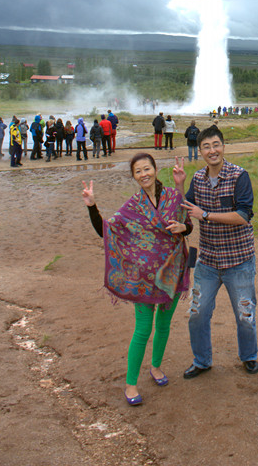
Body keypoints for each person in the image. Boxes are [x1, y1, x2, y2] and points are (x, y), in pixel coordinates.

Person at [80, 153, 192, 405]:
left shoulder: (173, 196)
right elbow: (106, 231)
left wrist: (181, 187)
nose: (144, 174)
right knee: (142, 329)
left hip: (173, 271)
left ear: (155, 169)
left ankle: (155, 367)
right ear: (133, 176)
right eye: (138, 171)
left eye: (147, 169)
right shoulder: (133, 207)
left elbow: (187, 224)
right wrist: (91, 206)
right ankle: (130, 384)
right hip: (144, 280)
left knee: (164, 325)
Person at [176, 125, 258, 378]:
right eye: (206, 146)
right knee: (197, 314)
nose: (212, 151)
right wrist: (179, 185)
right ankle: (202, 360)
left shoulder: (239, 176)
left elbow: (244, 215)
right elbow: (186, 211)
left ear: (223, 147)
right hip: (208, 261)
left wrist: (207, 215)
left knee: (245, 315)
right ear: (199, 151)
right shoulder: (198, 179)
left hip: (239, 260)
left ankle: (249, 356)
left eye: (216, 145)